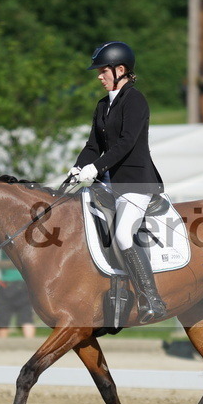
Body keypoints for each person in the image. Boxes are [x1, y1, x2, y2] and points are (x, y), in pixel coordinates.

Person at [70, 41, 166, 323]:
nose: (99, 76)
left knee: (124, 233)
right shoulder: (103, 105)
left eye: (102, 71)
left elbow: (126, 143)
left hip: (137, 183)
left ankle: (152, 299)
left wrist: (95, 167)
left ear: (120, 70)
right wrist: (77, 169)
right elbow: (93, 145)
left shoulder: (135, 100)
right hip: (110, 185)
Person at [0, 266, 36, 339]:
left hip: (6, 284)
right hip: (24, 284)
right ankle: (31, 346)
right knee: (27, 319)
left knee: (2, 321)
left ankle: (1, 347)